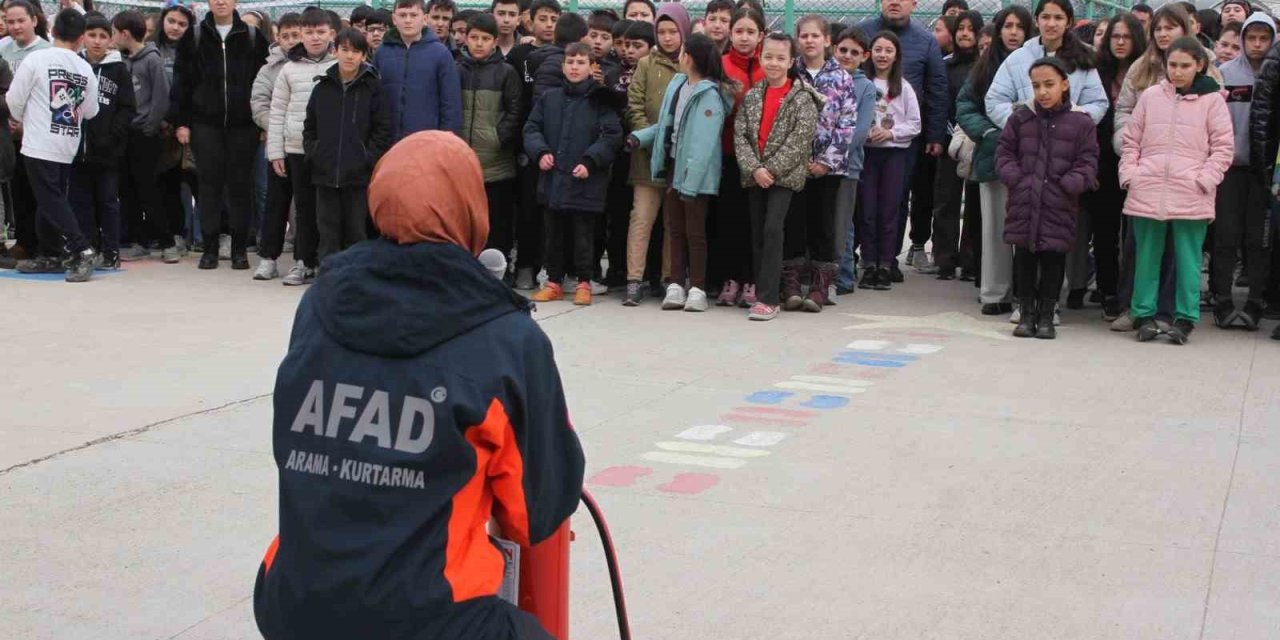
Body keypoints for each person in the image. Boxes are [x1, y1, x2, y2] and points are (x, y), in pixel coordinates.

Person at [251, 130, 585, 640]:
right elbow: (533, 513)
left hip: (290, 602)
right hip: (428, 620)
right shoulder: (507, 338)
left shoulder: (319, 305)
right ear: (471, 207)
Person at [985, 0, 1105, 325]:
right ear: (1036, 20)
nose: (1051, 23)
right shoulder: (1018, 58)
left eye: (1058, 17)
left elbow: (1098, 103)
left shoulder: (1082, 59)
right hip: (1028, 173)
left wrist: (1077, 118)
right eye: (1045, 17)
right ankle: (1025, 307)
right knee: (1023, 247)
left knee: (1055, 247)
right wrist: (1022, 120)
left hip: (1061, 175)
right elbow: (994, 100)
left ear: (1068, 21)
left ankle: (1050, 306)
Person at [1110, 4, 1219, 330]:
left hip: (1189, 187)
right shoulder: (1144, 76)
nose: (1162, 33)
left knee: (1185, 258)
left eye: (1170, 27)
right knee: (1143, 254)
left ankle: (1177, 315)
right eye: (1157, 27)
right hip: (1148, 183)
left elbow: (1222, 144)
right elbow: (1129, 127)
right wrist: (1131, 172)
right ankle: (1139, 312)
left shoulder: (1211, 88)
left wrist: (1205, 178)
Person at [996, 57, 1099, 339]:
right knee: (1024, 259)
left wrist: (1070, 184)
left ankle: (1047, 316)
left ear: (1065, 84)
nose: (1042, 92)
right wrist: (1017, 179)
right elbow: (1004, 153)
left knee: (1054, 260)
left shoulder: (1081, 122)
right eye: (1036, 86)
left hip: (1059, 203)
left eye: (1049, 84)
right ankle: (1026, 314)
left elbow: (1088, 161)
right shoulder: (1020, 118)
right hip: (1024, 202)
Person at [628, 33, 728, 312]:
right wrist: (640, 137)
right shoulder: (679, 85)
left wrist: (690, 184)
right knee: (675, 229)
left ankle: (697, 287)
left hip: (694, 177)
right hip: (673, 168)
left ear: (690, 58)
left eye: (683, 52)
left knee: (695, 232)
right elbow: (666, 125)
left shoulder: (709, 95)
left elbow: (703, 145)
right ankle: (675, 284)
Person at [169, 0, 270, 270]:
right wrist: (182, 122)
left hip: (244, 125)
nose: (221, 2)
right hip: (205, 124)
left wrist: (262, 123)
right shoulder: (195, 35)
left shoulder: (251, 36)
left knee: (240, 187)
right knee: (209, 187)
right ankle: (210, 248)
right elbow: (182, 81)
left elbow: (264, 81)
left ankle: (239, 249)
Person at [524, 42, 623, 306]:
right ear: (563, 66)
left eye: (581, 62)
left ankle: (583, 283)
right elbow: (531, 128)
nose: (575, 67)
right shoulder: (549, 98)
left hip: (585, 182)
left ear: (592, 67)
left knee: (583, 236)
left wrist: (591, 161)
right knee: (552, 234)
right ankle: (554, 282)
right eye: (570, 62)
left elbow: (612, 136)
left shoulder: (601, 99)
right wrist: (540, 152)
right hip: (553, 179)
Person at [859, 0, 947, 284]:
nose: (894, 2)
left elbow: (936, 87)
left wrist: (934, 134)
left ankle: (889, 259)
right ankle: (864, 258)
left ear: (914, 4)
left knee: (895, 203)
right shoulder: (861, 31)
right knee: (864, 204)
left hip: (903, 145)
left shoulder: (926, 41)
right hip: (864, 148)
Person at [8, 8, 99, 281]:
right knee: (49, 198)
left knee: (50, 199)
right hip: (67, 141)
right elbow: (92, 111)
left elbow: (14, 100)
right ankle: (51, 253)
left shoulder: (37, 59)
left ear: (53, 31)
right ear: (81, 38)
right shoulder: (85, 67)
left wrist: (23, 116)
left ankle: (82, 249)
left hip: (38, 141)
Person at [734, 32, 820, 321]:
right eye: (768, 56)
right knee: (757, 232)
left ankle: (769, 299)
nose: (773, 63)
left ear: (791, 61)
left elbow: (800, 140)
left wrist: (770, 170)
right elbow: (741, 136)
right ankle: (762, 291)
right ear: (760, 57)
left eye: (780, 58)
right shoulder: (753, 95)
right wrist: (755, 169)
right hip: (755, 175)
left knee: (773, 230)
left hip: (782, 178)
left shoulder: (802, 98)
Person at [954, 5, 1033, 309]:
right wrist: (988, 133)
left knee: (1029, 229)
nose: (1013, 32)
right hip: (993, 156)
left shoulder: (1038, 63)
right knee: (995, 229)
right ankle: (995, 293)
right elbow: (965, 107)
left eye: (1020, 26)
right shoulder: (984, 67)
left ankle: (1028, 293)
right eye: (1007, 25)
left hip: (1033, 158)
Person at [785, 14, 856, 312]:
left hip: (829, 169)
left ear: (828, 41)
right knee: (793, 223)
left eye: (816, 36)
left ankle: (820, 286)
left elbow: (847, 124)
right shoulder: (791, 74)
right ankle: (789, 284)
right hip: (793, 166)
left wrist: (827, 161)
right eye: (804, 36)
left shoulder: (842, 78)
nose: (810, 41)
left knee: (823, 226)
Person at [622, 1, 689, 307]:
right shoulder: (647, 63)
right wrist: (650, 136)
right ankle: (633, 280)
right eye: (661, 31)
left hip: (679, 158)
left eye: (672, 31)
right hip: (646, 156)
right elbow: (634, 104)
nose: (667, 37)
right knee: (642, 219)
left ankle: (668, 278)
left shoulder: (692, 63)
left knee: (673, 223)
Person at [304, 28, 389, 264]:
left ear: (364, 55)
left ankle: (356, 275)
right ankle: (329, 274)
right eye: (345, 50)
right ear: (335, 51)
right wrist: (315, 151)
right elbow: (310, 125)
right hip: (325, 172)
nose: (349, 56)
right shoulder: (322, 88)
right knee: (327, 230)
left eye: (356, 51)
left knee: (356, 229)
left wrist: (367, 157)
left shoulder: (373, 89)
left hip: (358, 175)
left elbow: (382, 130)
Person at [1081, 13, 1145, 320]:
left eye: (1127, 37)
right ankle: (1108, 292)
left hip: (1139, 164)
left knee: (1135, 235)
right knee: (1105, 232)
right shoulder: (1095, 72)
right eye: (1115, 36)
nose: (1120, 42)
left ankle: (1133, 294)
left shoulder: (1148, 73)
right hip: (1102, 163)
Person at [1212, 12, 1274, 330]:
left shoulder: (1275, 74)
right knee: (1225, 237)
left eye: (1264, 38)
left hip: (1263, 172)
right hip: (1230, 169)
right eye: (1252, 38)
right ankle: (1222, 299)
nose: (1258, 44)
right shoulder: (1225, 73)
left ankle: (1255, 302)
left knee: (1257, 240)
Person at [269, 8, 336, 286]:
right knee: (304, 209)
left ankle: (327, 262)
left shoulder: (340, 64)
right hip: (297, 149)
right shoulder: (289, 68)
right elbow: (277, 111)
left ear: (332, 34)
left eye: (321, 32)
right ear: (301, 35)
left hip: (332, 151)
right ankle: (303, 262)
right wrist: (275, 152)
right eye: (309, 32)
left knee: (330, 210)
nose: (315, 38)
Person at [70, 12, 134, 271]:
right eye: (92, 35)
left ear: (111, 39)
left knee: (108, 202)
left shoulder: (118, 69)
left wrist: (112, 136)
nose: (97, 41)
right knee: (80, 202)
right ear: (82, 37)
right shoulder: (74, 64)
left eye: (103, 36)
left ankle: (111, 250)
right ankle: (89, 248)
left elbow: (128, 107)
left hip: (108, 151)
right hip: (76, 150)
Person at [858, 31, 921, 292]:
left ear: (896, 56)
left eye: (888, 50)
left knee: (889, 209)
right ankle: (869, 262)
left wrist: (891, 133)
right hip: (867, 154)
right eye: (878, 49)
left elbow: (915, 124)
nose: (882, 55)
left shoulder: (904, 88)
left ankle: (886, 263)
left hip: (894, 155)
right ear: (870, 53)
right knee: (867, 209)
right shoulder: (864, 83)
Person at [458, 12, 522, 265]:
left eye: (485, 38)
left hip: (497, 166)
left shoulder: (506, 72)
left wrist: (498, 138)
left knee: (498, 223)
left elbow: (516, 111)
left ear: (495, 41)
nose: (479, 43)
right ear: (465, 38)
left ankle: (499, 269)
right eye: (474, 37)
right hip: (462, 164)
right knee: (464, 222)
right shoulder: (455, 69)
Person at [109, 9, 172, 265]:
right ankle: (138, 241)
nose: (112, 37)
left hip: (146, 134)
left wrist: (149, 126)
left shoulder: (152, 59)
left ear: (125, 33)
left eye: (113, 32)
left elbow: (161, 97)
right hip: (126, 132)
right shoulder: (120, 60)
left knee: (148, 189)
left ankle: (167, 241)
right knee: (127, 190)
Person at [506, 0, 561, 291]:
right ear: (530, 21)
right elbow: (512, 101)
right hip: (528, 144)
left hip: (561, 146)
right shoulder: (519, 55)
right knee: (527, 209)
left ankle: (556, 270)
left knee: (555, 211)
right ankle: (525, 266)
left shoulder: (569, 54)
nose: (549, 24)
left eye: (554, 18)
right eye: (543, 18)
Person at [925, 9, 981, 280]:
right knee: (945, 200)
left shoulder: (984, 65)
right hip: (947, 141)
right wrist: (937, 137)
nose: (965, 33)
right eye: (961, 28)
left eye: (971, 28)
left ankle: (970, 261)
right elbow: (937, 102)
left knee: (973, 202)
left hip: (976, 141)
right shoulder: (944, 64)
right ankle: (944, 258)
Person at [715, 7, 764, 307]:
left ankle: (752, 280)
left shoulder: (768, 66)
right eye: (739, 31)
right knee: (728, 220)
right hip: (728, 155)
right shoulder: (719, 65)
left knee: (755, 222)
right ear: (730, 33)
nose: (744, 38)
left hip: (760, 161)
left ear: (761, 35)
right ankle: (729, 279)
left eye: (750, 32)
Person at [249, 11, 300, 281]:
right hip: (278, 144)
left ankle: (303, 259)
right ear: (277, 37)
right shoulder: (268, 69)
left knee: (305, 205)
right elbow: (258, 103)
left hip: (308, 146)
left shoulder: (320, 64)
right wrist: (277, 125)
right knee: (274, 203)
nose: (291, 40)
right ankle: (268, 258)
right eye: (286, 35)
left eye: (296, 35)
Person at [373, 0, 461, 142]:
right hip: (388, 142)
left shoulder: (441, 54)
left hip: (427, 141)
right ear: (394, 19)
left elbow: (450, 105)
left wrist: (446, 141)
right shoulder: (381, 53)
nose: (408, 20)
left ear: (424, 18)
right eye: (403, 15)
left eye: (413, 15)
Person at [832, 26, 877, 295]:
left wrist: (831, 155)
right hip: (818, 166)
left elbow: (860, 132)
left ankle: (844, 277)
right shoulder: (825, 80)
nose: (847, 56)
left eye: (854, 52)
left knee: (842, 224)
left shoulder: (866, 88)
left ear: (865, 56)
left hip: (847, 166)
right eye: (843, 50)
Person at [150, 2, 194, 255]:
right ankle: (170, 235)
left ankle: (193, 235)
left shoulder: (194, 50)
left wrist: (180, 121)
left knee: (192, 181)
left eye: (182, 23)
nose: (176, 27)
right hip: (157, 128)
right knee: (165, 183)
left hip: (185, 127)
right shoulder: (150, 48)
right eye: (171, 21)